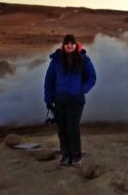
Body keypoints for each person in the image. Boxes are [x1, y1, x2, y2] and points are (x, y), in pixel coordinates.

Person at [44, 34, 97, 167]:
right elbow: (48, 80)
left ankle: (76, 155)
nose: (69, 45)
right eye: (67, 43)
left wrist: (82, 89)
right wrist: (48, 98)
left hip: (76, 100)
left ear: (75, 44)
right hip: (59, 99)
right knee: (62, 128)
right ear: (63, 45)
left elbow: (92, 77)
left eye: (71, 43)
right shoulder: (56, 60)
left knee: (73, 127)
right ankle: (65, 155)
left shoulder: (83, 59)